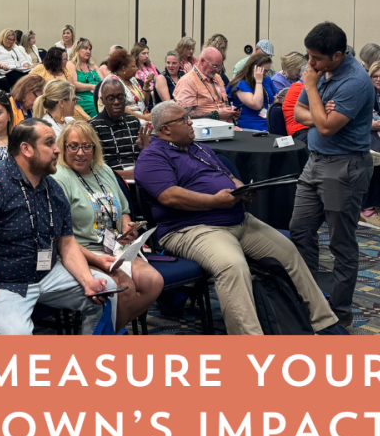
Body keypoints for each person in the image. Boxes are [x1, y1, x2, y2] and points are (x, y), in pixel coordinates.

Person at [135, 102, 341, 335]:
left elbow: (229, 176)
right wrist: (215, 201)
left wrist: (241, 189)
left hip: (237, 220)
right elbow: (169, 196)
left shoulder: (198, 148)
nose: (190, 122)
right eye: (183, 120)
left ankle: (323, 323)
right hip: (191, 229)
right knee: (232, 266)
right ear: (165, 129)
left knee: (288, 252)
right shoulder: (153, 157)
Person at [0, 118, 116, 335]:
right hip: (0, 282)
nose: (57, 150)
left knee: (105, 290)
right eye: (49, 143)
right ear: (26, 149)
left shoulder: (52, 188)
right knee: (17, 335)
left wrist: (87, 282)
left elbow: (66, 243)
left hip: (44, 275)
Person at [291, 22, 375, 329]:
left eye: (316, 58)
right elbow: (298, 113)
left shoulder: (355, 81)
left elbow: (327, 127)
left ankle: (339, 314)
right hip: (315, 161)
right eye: (309, 56)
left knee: (341, 243)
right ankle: (310, 302)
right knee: (300, 230)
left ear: (337, 55)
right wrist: (320, 113)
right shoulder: (320, 71)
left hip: (345, 166)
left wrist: (313, 91)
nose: (310, 64)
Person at [53, 121, 163, 330]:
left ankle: (108, 332)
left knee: (153, 282)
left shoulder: (103, 170)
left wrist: (126, 227)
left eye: (86, 146)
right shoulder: (59, 178)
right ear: (63, 147)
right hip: (83, 251)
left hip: (114, 248)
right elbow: (60, 238)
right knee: (125, 289)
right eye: (73, 146)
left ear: (94, 148)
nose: (80, 153)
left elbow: (124, 210)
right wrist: (96, 259)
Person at [90, 79, 149, 180]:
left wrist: (145, 148)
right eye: (110, 98)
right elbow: (95, 166)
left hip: (139, 176)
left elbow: (143, 159)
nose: (116, 102)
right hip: (112, 180)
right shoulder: (94, 127)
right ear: (102, 100)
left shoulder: (133, 121)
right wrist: (130, 175)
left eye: (120, 97)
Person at [173, 47, 240, 122]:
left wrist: (231, 111)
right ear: (202, 61)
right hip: (205, 127)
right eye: (214, 66)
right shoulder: (188, 81)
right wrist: (215, 115)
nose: (217, 70)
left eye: (220, 67)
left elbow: (224, 103)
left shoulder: (217, 78)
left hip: (227, 125)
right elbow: (184, 113)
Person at [227, 51, 278, 131]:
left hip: (269, 120)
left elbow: (274, 99)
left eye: (268, 71)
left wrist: (278, 99)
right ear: (254, 69)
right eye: (264, 71)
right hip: (252, 124)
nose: (266, 74)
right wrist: (258, 82)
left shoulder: (267, 80)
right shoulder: (241, 84)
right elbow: (256, 105)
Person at [100, 49, 151, 122]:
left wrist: (146, 85)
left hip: (142, 115)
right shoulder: (113, 82)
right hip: (125, 119)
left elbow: (145, 101)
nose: (137, 69)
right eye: (133, 66)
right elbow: (119, 108)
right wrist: (144, 118)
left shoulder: (132, 80)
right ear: (124, 68)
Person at [69, 38, 101, 118]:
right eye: (85, 48)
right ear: (77, 49)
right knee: (96, 106)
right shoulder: (71, 64)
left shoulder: (93, 65)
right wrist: (93, 87)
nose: (88, 51)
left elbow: (103, 81)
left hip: (99, 95)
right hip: (83, 98)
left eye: (90, 49)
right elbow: (73, 84)